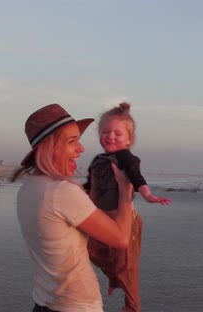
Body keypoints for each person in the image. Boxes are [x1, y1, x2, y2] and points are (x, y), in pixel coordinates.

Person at [13, 103, 135, 312]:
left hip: (44, 302)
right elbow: (121, 238)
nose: (81, 148)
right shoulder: (61, 192)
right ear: (48, 147)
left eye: (78, 140)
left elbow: (65, 240)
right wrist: (126, 191)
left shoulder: (28, 189)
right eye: (72, 141)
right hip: (75, 306)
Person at [84, 102, 170, 312]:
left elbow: (136, 176)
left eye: (117, 133)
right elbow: (89, 185)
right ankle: (114, 278)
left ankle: (132, 306)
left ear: (129, 140)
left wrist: (148, 195)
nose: (110, 136)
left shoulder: (125, 158)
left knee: (127, 266)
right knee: (91, 252)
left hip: (126, 221)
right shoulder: (97, 160)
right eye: (105, 132)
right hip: (103, 219)